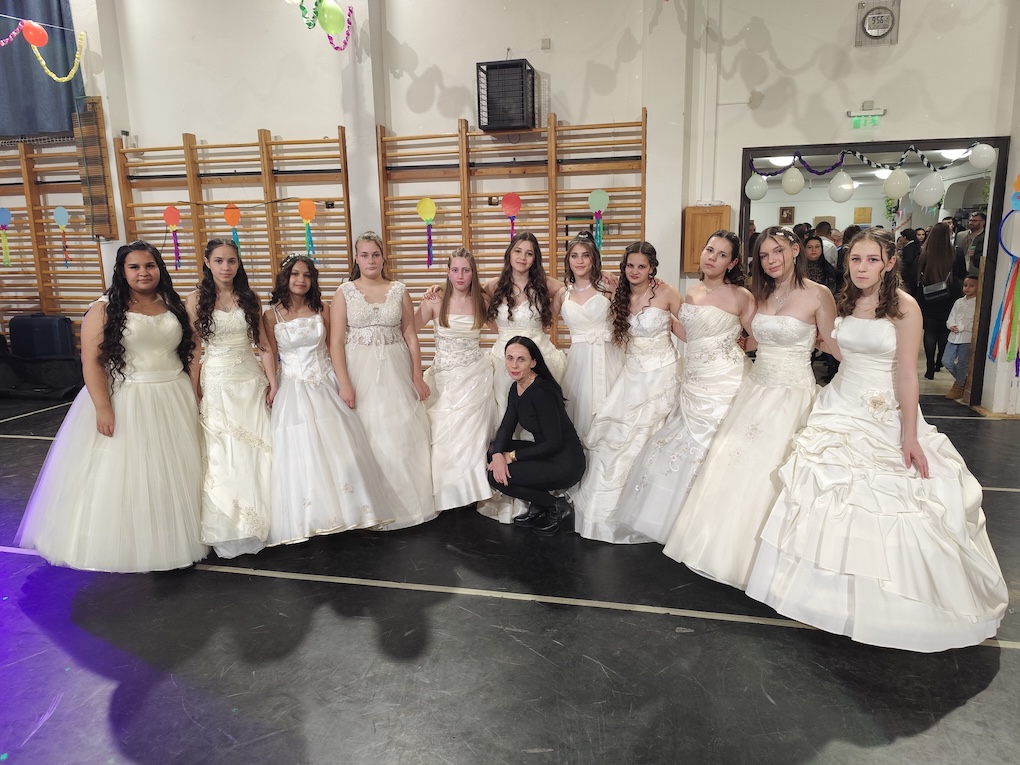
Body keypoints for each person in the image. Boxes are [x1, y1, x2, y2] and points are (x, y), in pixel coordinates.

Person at [746, 229, 1008, 652]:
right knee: (826, 494)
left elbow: (906, 374)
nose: (862, 268)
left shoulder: (904, 307)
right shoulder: (847, 301)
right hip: (839, 405)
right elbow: (840, 349)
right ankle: (822, 597)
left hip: (882, 411)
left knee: (889, 502)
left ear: (889, 263)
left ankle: (888, 605)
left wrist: (910, 433)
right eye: (855, 260)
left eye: (872, 260)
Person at [661, 226, 839, 589]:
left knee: (772, 473)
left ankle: (766, 561)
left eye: (778, 251)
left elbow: (834, 346)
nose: (771, 260)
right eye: (764, 255)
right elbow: (751, 338)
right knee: (732, 464)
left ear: (794, 250)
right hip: (755, 389)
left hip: (793, 394)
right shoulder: (762, 295)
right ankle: (719, 548)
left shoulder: (818, 294)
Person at [16, 241, 206, 572]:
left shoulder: (172, 304)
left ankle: (173, 534)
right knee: (129, 471)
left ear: (159, 269)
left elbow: (191, 349)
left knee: (174, 470)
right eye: (135, 267)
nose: (143, 273)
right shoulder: (103, 309)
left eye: (149, 265)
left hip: (173, 395)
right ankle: (128, 542)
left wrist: (194, 390)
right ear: (122, 271)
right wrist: (103, 407)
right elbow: (91, 361)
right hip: (128, 397)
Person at [616, 231, 753, 543]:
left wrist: (731, 348)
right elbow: (688, 332)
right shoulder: (691, 293)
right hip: (693, 379)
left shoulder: (742, 296)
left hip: (725, 378)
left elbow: (757, 335)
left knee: (717, 447)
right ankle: (676, 520)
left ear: (732, 263)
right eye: (709, 249)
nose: (712, 257)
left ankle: (710, 524)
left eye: (721, 254)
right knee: (677, 446)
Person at [263, 254, 397, 544]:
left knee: (340, 449)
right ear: (285, 278)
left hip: (325, 384)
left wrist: (343, 383)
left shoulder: (322, 309)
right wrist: (272, 385)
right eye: (295, 274)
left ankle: (350, 512)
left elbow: (334, 347)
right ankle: (311, 516)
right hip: (293, 389)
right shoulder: (271, 315)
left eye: (306, 275)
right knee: (302, 452)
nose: (301, 280)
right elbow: (270, 354)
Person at [570, 241, 685, 544]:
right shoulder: (618, 293)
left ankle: (653, 512)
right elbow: (588, 279)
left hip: (663, 373)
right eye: (630, 265)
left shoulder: (667, 293)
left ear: (652, 268)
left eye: (642, 266)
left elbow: (689, 328)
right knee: (616, 438)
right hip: (632, 373)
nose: (635, 271)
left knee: (651, 437)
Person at [330, 231, 436, 530]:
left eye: (375, 254)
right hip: (358, 370)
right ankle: (367, 509)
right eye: (364, 255)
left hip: (395, 368)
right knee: (366, 434)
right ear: (356, 258)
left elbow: (410, 336)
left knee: (399, 432)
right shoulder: (344, 292)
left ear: (383, 257)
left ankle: (404, 507)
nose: (371, 260)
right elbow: (336, 342)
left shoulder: (399, 289)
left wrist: (417, 376)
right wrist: (344, 383)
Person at [186, 239, 272, 559]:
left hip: (250, 382)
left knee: (258, 449)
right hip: (216, 382)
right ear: (207, 262)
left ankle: (266, 519)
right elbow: (194, 349)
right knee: (222, 454)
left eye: (232, 261)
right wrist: (193, 388)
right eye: (219, 261)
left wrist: (273, 382)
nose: (226, 267)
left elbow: (264, 345)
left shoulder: (250, 297)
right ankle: (230, 524)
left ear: (239, 263)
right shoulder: (196, 299)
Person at [415, 248, 496, 512]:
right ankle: (447, 494)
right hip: (444, 378)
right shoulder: (435, 300)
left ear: (473, 273)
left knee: (473, 437)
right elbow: (408, 330)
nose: (460, 276)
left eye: (466, 270)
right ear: (448, 273)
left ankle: (472, 491)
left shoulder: (482, 302)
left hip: (474, 376)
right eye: (455, 270)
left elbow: (503, 329)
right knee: (442, 435)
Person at [488, 336, 585, 536]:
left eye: (521, 359)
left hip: (564, 463)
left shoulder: (542, 392)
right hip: (547, 453)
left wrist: (511, 456)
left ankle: (556, 506)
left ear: (533, 362)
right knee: (492, 450)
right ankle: (539, 503)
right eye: (510, 358)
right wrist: (498, 455)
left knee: (495, 477)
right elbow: (506, 426)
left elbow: (554, 443)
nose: (514, 365)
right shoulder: (517, 387)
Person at [554, 230, 624, 441]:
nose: (580, 261)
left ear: (594, 259)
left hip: (609, 356)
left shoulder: (607, 287)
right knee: (579, 410)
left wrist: (615, 292)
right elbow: (542, 321)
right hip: (579, 361)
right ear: (568, 260)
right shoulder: (562, 294)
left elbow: (624, 318)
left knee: (612, 409)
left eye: (585, 255)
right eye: (574, 256)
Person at [917, 222, 967, 380]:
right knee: (944, 331)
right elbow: (961, 274)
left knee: (930, 331)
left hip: (928, 295)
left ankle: (929, 368)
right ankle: (940, 362)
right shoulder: (956, 252)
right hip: (949, 295)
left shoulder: (924, 253)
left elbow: (917, 275)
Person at [943, 275, 978, 400]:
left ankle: (958, 387)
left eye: (971, 286)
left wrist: (962, 327)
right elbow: (952, 316)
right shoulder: (959, 302)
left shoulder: (978, 304)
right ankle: (964, 380)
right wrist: (951, 325)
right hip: (953, 337)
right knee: (946, 361)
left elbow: (975, 322)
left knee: (962, 364)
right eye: (965, 285)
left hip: (967, 338)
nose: (967, 288)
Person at [964, 211, 987, 277]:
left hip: (976, 273)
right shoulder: (960, 236)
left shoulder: (985, 238)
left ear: (983, 222)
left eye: (974, 221)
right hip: (961, 273)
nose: (971, 223)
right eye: (970, 220)